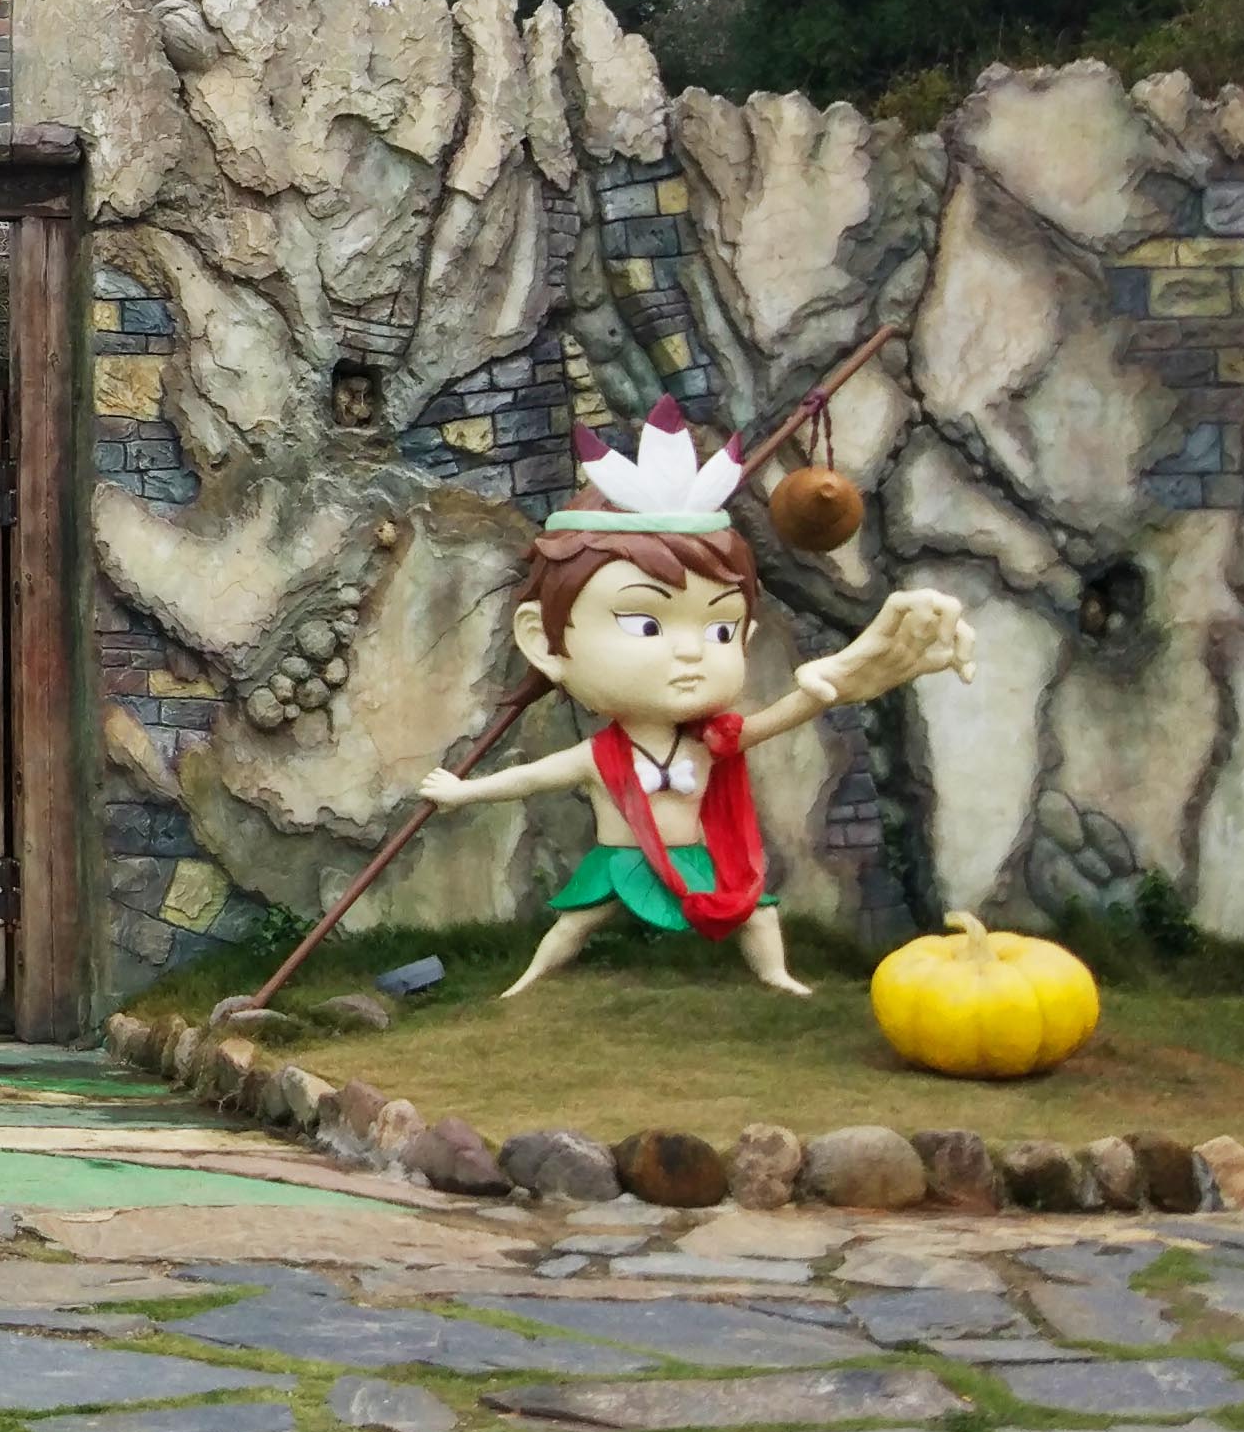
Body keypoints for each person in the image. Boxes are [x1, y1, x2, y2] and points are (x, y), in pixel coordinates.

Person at [415, 403, 970, 999]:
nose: (690, 653)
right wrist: (463, 792)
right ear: (543, 642)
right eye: (646, 624)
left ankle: (778, 975)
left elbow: (773, 721)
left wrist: (821, 691)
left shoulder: (709, 742)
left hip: (694, 858)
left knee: (758, 911)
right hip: (621, 860)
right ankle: (527, 981)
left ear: (745, 637)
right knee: (576, 922)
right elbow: (529, 778)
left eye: (720, 629)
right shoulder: (601, 757)